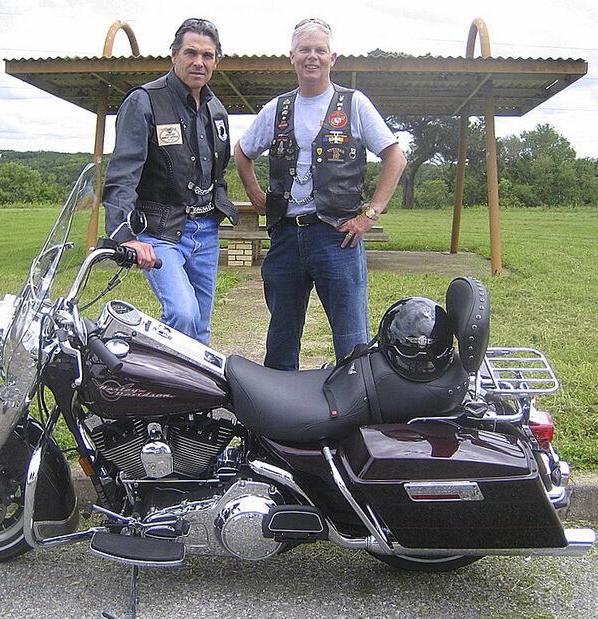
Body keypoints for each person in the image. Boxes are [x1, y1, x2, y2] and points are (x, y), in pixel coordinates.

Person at [235, 18, 407, 370]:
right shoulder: (277, 109)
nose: (312, 56)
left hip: (337, 237)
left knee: (351, 338)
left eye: (319, 50)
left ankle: (354, 413)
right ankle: (279, 418)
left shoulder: (354, 104)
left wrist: (369, 215)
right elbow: (242, 151)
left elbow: (395, 157)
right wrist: (254, 193)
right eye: (305, 50)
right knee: (281, 336)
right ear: (292, 58)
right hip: (285, 236)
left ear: (333, 58)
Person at [102, 18, 237, 346]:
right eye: (191, 53)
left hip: (206, 230)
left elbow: (218, 172)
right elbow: (122, 175)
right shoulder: (144, 102)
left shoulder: (216, 110)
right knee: (182, 312)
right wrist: (125, 235)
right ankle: (164, 387)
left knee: (201, 326)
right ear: (173, 56)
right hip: (162, 231)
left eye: (207, 55)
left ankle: (196, 397)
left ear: (215, 62)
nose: (198, 62)